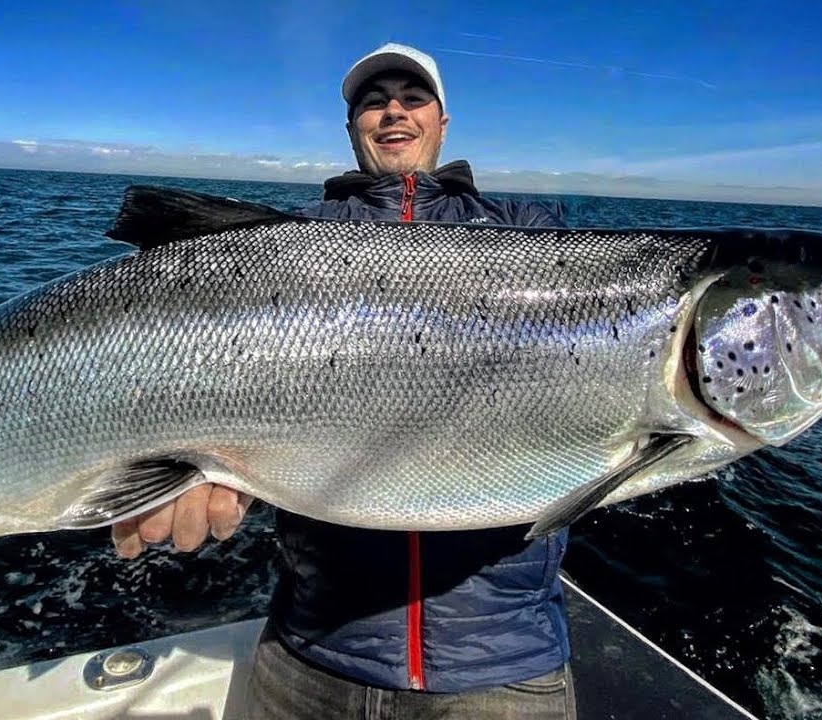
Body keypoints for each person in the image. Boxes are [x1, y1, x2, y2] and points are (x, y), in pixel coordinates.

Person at [112, 43, 575, 720]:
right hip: (311, 656)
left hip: (501, 667)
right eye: (372, 101)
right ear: (353, 127)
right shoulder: (297, 241)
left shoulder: (528, 231)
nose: (393, 110)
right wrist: (196, 456)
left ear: (443, 122)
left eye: (413, 97)